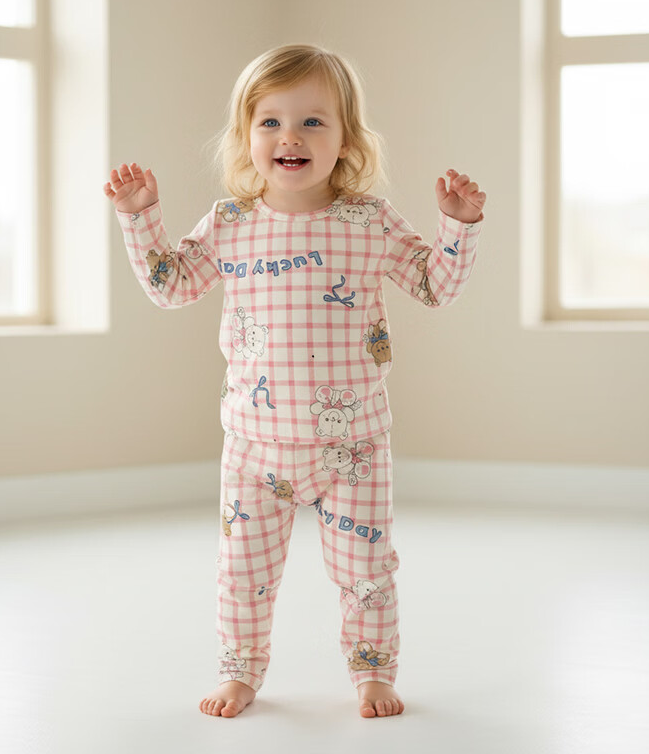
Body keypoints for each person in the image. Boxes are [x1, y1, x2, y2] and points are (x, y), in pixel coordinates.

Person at [103, 43, 486, 720]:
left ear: (346, 140)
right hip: (255, 447)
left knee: (366, 572)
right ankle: (240, 670)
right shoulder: (230, 223)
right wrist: (140, 217)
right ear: (246, 136)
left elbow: (435, 286)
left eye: (313, 121)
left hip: (353, 446)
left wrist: (458, 226)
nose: (291, 137)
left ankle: (373, 672)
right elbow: (171, 286)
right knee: (242, 573)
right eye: (271, 122)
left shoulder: (368, 221)